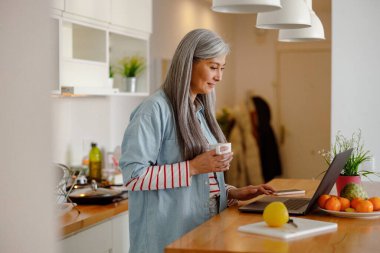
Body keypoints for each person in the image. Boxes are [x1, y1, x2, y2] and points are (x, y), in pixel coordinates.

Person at [119, 28, 275, 253]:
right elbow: (134, 177)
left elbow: (199, 183)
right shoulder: (154, 110)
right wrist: (193, 167)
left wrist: (231, 192)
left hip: (200, 235)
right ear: (188, 63)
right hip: (165, 239)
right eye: (213, 67)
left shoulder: (199, 111)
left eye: (222, 68)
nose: (219, 76)